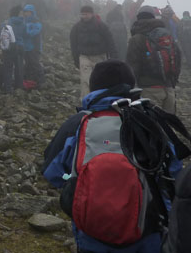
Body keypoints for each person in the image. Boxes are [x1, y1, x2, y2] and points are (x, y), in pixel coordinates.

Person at [42, 60, 183, 253]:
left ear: (93, 87)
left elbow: (52, 172)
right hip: (148, 233)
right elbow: (174, 175)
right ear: (131, 86)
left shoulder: (77, 123)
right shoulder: (149, 121)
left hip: (91, 234)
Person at [126, 6, 181, 114]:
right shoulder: (166, 36)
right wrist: (172, 81)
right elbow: (178, 57)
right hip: (169, 87)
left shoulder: (136, 38)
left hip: (149, 89)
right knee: (168, 125)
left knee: (153, 125)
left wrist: (130, 88)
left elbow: (133, 66)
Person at [70, 6, 117, 98]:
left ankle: (100, 100)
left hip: (100, 57)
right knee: (85, 80)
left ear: (92, 14)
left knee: (101, 80)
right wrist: (76, 59)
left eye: (86, 14)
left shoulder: (101, 26)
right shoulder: (76, 28)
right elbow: (73, 45)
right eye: (82, 14)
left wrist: (114, 56)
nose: (84, 16)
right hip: (84, 57)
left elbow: (110, 41)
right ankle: (86, 101)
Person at [1, 5, 25, 93]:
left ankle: (8, 89)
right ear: (18, 13)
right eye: (21, 13)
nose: (23, 15)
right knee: (19, 68)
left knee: (8, 69)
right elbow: (26, 35)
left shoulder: (6, 23)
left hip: (9, 47)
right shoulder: (23, 23)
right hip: (20, 47)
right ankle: (19, 88)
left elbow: (1, 34)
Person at [22, 4, 43, 89]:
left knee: (35, 64)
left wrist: (24, 33)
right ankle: (29, 82)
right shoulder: (24, 22)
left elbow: (32, 33)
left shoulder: (36, 23)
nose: (26, 14)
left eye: (28, 12)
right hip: (26, 47)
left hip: (34, 47)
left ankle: (40, 82)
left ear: (32, 12)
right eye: (25, 12)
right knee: (27, 65)